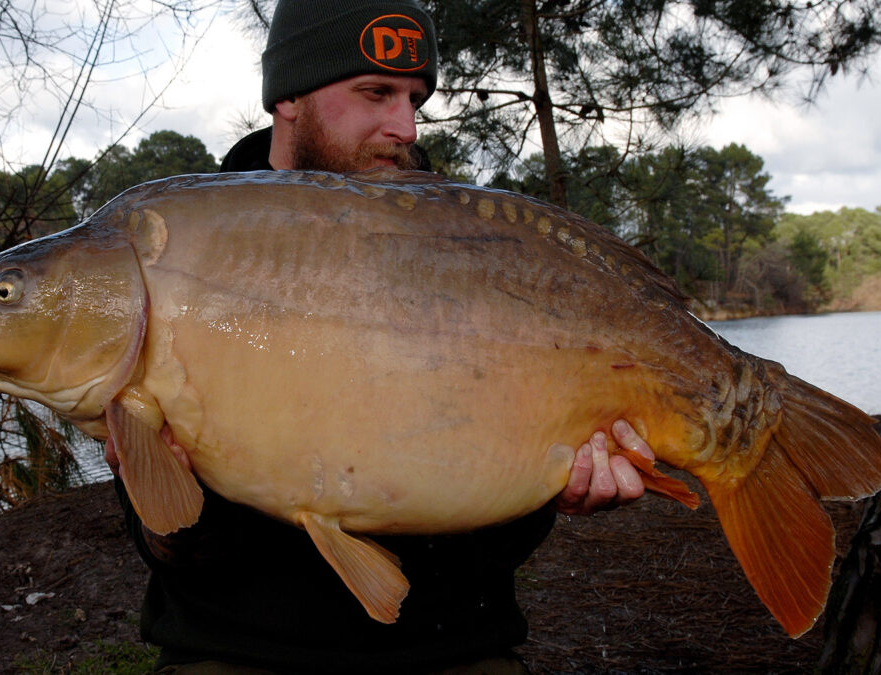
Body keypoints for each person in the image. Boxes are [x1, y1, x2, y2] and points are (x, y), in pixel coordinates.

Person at [109, 1, 658, 672]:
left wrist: (556, 485)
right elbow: (175, 554)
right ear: (288, 96)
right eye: (375, 93)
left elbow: (493, 544)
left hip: (451, 647)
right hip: (235, 649)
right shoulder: (173, 247)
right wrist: (167, 490)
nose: (404, 125)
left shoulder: (473, 244)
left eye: (414, 98)